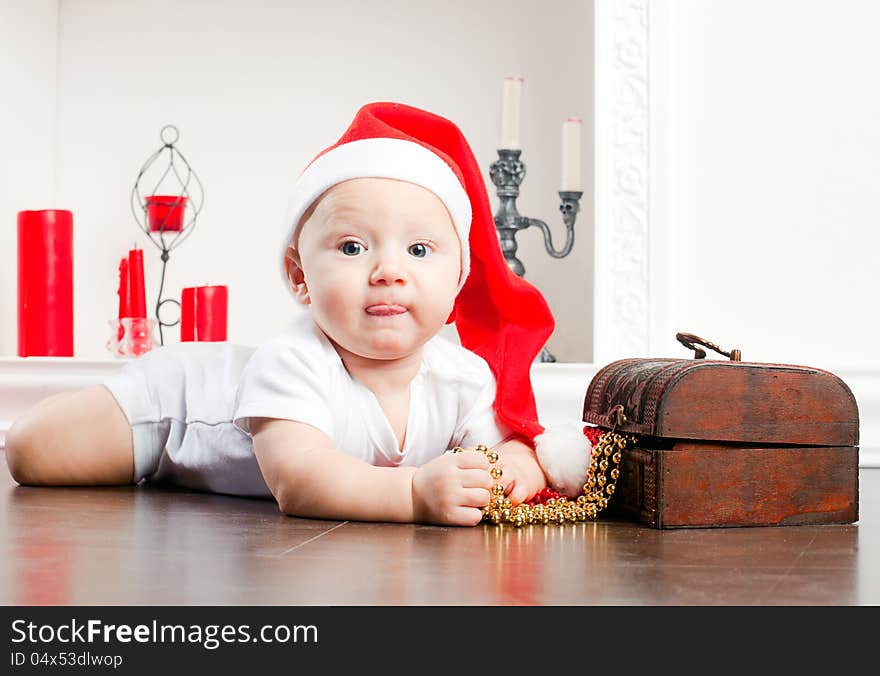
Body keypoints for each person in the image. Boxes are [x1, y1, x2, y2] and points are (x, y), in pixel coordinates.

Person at [4, 102, 590, 526]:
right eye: (353, 247)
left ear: (459, 283)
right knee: (33, 450)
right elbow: (300, 481)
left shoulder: (462, 377)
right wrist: (412, 494)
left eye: (419, 250)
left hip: (207, 404)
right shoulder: (296, 359)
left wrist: (518, 470)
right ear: (299, 277)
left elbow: (498, 452)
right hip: (178, 408)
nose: (388, 271)